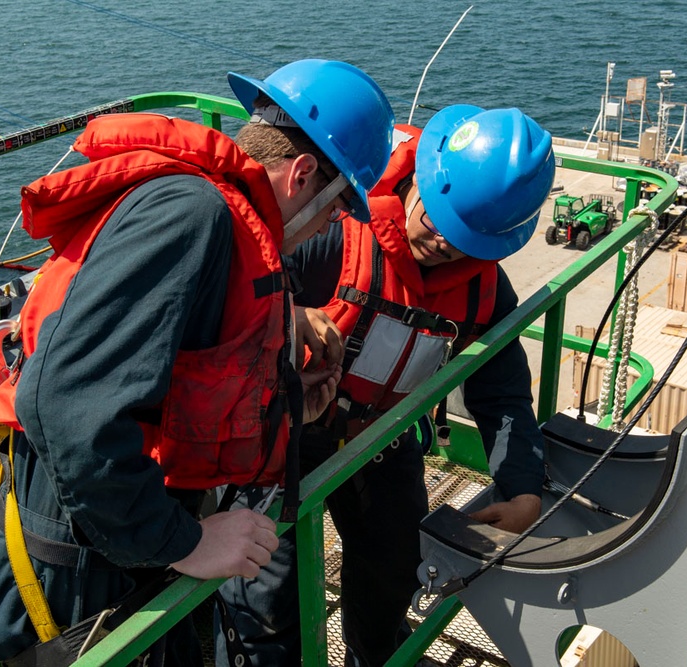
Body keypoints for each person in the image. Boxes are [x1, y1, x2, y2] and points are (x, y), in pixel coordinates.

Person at [0, 59, 394, 666]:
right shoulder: (192, 215)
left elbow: (176, 356)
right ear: (302, 174)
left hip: (118, 522)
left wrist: (284, 385)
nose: (330, 225)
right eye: (337, 208)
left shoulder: (217, 218)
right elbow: (66, 405)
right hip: (80, 551)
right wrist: (181, 543)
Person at [217, 105, 556, 666]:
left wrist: (523, 489)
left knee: (395, 564)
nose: (445, 244)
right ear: (419, 174)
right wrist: (288, 309)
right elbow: (230, 292)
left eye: (466, 238)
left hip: (379, 437)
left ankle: (377, 656)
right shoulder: (330, 233)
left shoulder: (482, 293)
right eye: (437, 219)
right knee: (264, 590)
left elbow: (503, 390)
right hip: (279, 435)